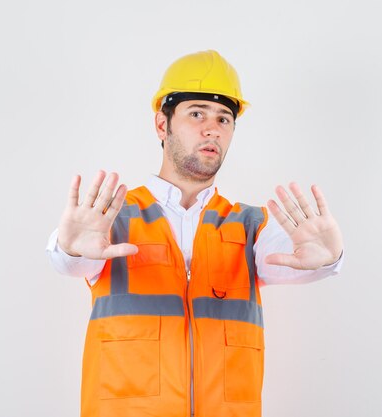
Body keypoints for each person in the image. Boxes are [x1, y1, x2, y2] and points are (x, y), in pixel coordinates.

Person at [46, 50, 344, 417]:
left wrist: (328, 259)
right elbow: (67, 261)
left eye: (225, 118)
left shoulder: (253, 227)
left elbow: (301, 260)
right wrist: (71, 250)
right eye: (197, 113)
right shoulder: (110, 219)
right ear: (162, 125)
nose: (212, 128)